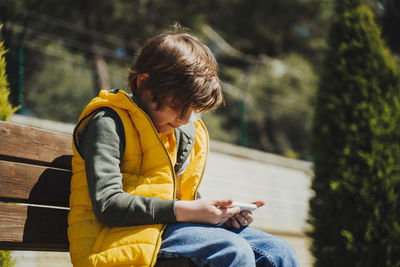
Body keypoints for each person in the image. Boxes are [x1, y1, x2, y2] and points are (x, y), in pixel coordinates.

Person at [68, 31, 299, 267]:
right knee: (231, 251)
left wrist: (220, 217)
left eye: (192, 109)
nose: (184, 118)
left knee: (279, 252)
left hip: (166, 230)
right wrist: (189, 211)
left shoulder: (177, 133)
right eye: (178, 106)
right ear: (144, 83)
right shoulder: (108, 122)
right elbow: (108, 205)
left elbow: (178, 199)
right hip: (115, 239)